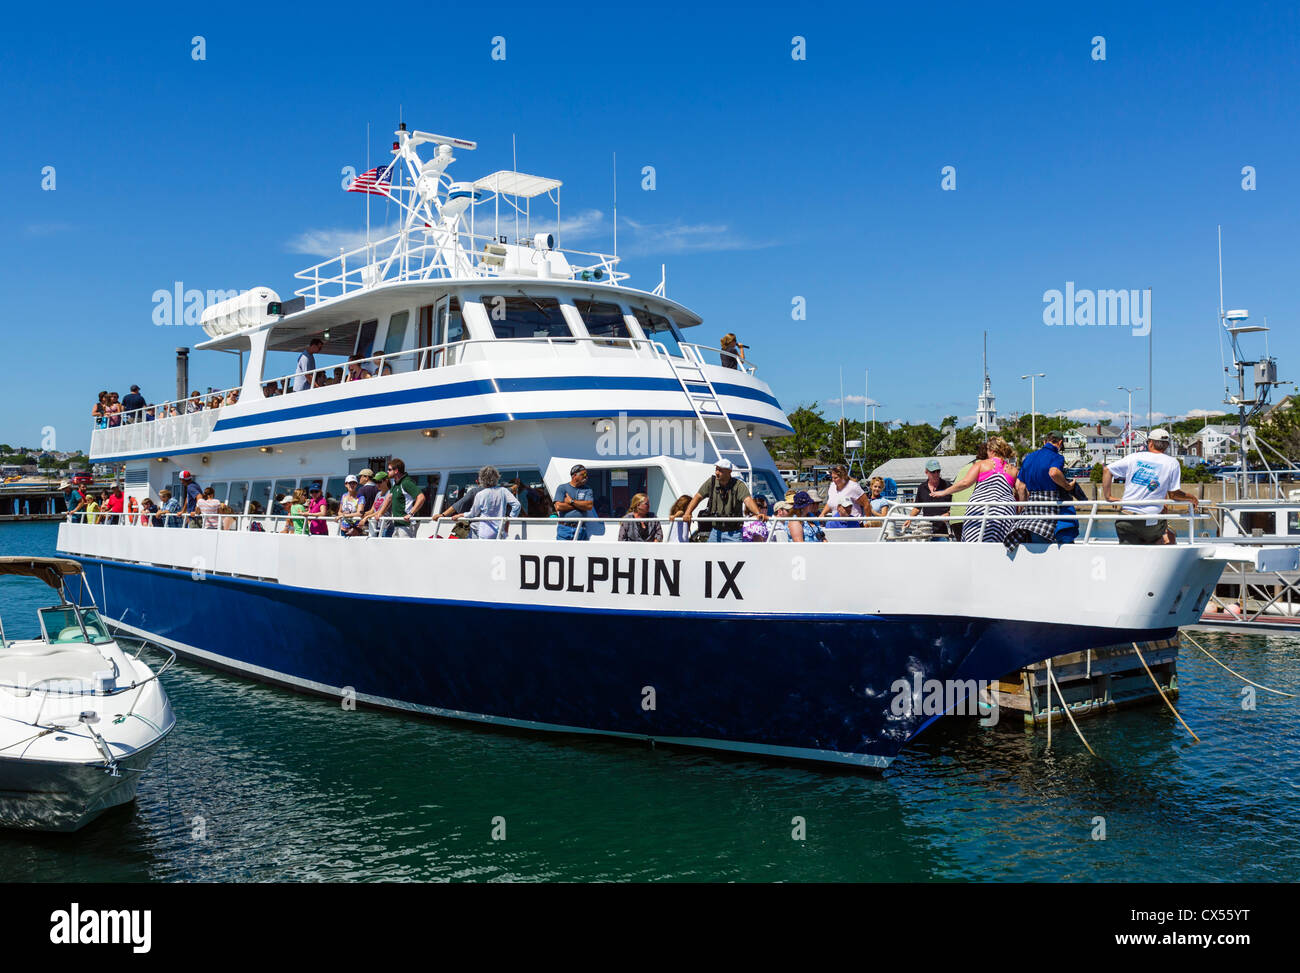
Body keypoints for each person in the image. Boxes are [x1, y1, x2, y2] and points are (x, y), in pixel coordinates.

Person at [1103, 429, 1198, 544]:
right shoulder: (1172, 463)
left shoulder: (1134, 457)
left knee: (1128, 548)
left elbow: (1107, 470)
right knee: (1169, 536)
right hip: (1150, 523)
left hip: (1126, 518)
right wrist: (1191, 498)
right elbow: (1174, 494)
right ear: (1167, 445)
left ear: (1150, 443)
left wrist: (1108, 497)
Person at [930, 437, 1018, 543]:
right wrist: (1021, 508)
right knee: (999, 547)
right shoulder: (1013, 470)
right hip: (1004, 511)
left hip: (979, 509)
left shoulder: (981, 464)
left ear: (991, 451)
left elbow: (965, 483)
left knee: (974, 546)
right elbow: (1021, 489)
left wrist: (943, 492)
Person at [1007, 431, 1077, 546]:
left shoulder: (1029, 458)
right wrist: (1067, 485)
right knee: (1064, 531)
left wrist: (1024, 507)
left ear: (1044, 442)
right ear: (1060, 443)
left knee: (1037, 543)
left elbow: (1020, 486)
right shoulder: (1057, 457)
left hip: (1032, 510)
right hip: (1051, 507)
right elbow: (1053, 472)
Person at [467, 465, 522, 539]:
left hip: (485, 532)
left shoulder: (480, 494)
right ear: (496, 477)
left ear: (482, 480)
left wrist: (460, 515)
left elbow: (473, 514)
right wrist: (509, 519)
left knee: (472, 526)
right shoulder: (503, 491)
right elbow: (517, 505)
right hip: (499, 531)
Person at [904, 459, 952, 536]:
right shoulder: (922, 487)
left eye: (938, 471)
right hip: (927, 528)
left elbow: (955, 507)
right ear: (926, 472)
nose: (936, 474)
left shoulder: (948, 486)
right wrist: (909, 519)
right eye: (933, 472)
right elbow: (917, 508)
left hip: (944, 529)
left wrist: (948, 514)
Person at [381, 458, 426, 537]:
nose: (387, 471)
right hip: (398, 523)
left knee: (406, 548)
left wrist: (410, 514)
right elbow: (389, 499)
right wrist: (380, 513)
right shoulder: (396, 484)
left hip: (407, 524)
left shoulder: (406, 482)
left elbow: (421, 497)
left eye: (389, 469)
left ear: (396, 471)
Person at [554, 464, 596, 540]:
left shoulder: (588, 489)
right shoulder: (562, 488)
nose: (586, 477)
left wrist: (571, 501)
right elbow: (558, 507)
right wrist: (581, 505)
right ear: (574, 476)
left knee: (580, 552)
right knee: (561, 552)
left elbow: (589, 506)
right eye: (583, 474)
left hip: (580, 528)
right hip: (564, 528)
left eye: (586, 474)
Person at [359, 471, 392, 536]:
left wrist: (367, 517)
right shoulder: (378, 494)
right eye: (376, 482)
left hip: (386, 527)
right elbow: (372, 510)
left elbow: (381, 511)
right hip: (377, 526)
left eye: (379, 482)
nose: (377, 484)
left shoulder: (390, 493)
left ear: (386, 481)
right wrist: (363, 514)